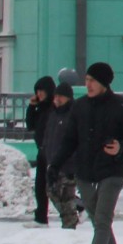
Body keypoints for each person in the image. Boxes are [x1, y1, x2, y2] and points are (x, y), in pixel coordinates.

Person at [54, 61, 123, 244]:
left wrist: (121, 148)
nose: (88, 84)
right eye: (86, 80)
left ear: (104, 83)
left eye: (92, 80)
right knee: (97, 220)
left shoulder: (122, 106)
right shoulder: (80, 106)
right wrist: (54, 165)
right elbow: (69, 140)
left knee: (102, 218)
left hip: (112, 170)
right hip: (85, 171)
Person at [40, 83, 82, 230]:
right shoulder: (54, 114)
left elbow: (75, 140)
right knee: (51, 192)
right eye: (56, 96)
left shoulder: (73, 114)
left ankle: (70, 225)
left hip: (68, 164)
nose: (57, 99)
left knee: (65, 195)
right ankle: (79, 206)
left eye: (60, 96)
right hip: (53, 163)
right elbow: (48, 136)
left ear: (68, 98)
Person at [25, 76, 57, 225]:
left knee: (55, 186)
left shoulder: (54, 108)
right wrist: (31, 106)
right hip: (42, 152)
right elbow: (30, 125)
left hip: (53, 153)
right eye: (37, 91)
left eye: (42, 90)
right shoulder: (41, 108)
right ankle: (40, 217)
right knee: (40, 186)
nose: (39, 94)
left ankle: (79, 206)